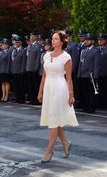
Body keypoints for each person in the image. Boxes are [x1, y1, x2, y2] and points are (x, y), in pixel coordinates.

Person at [37, 30, 78, 163]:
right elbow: (44, 75)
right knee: (56, 119)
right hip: (48, 88)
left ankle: (49, 151)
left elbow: (69, 79)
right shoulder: (47, 55)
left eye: (55, 39)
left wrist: (71, 95)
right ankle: (65, 143)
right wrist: (40, 91)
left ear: (62, 41)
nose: (52, 41)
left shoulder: (66, 57)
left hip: (60, 90)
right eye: (52, 38)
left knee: (54, 120)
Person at [77, 33, 101, 113]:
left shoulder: (96, 51)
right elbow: (80, 63)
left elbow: (97, 64)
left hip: (91, 75)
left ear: (93, 41)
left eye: (88, 40)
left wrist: (96, 76)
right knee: (85, 92)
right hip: (83, 75)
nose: (86, 41)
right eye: (86, 40)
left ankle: (92, 107)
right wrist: (79, 74)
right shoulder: (83, 51)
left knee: (91, 92)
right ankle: (86, 106)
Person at [11, 36, 26, 104]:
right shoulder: (14, 50)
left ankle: (21, 99)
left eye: (18, 42)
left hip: (20, 71)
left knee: (21, 86)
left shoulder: (23, 50)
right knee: (16, 86)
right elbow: (12, 61)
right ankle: (17, 98)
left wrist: (22, 70)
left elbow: (23, 61)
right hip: (14, 70)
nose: (16, 44)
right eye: (15, 42)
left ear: (21, 43)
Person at [97, 33, 107, 109]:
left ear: (105, 41)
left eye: (101, 40)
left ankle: (104, 104)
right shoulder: (95, 49)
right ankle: (99, 103)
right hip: (97, 73)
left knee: (104, 89)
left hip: (105, 73)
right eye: (99, 40)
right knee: (97, 89)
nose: (100, 41)